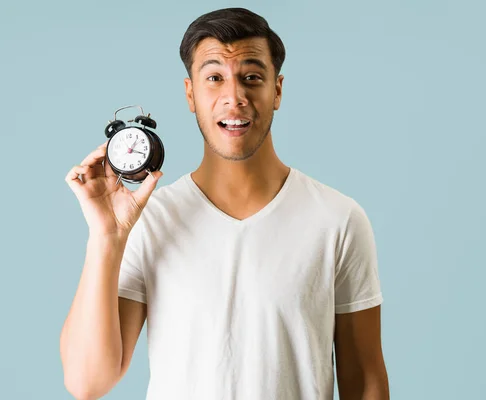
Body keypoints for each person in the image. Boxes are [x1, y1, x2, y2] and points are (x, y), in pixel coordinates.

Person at [60, 7, 389, 400]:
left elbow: (365, 381)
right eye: (214, 78)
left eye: (251, 77)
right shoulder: (149, 222)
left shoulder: (338, 220)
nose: (234, 97)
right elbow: (87, 383)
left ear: (277, 90)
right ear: (190, 94)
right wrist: (106, 237)